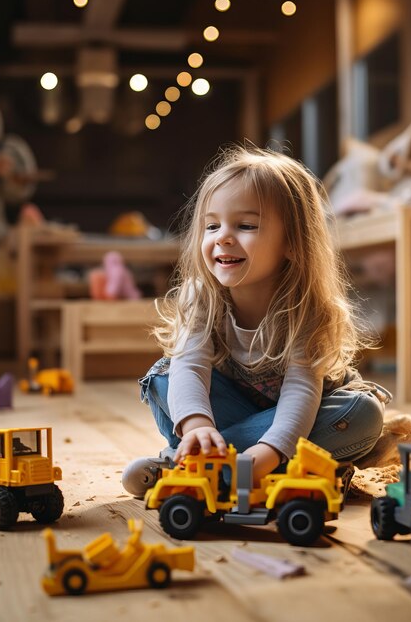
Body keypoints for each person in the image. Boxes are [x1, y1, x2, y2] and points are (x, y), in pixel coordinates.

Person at [122, 145, 391, 496]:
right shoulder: (201, 294)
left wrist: (270, 450)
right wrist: (198, 426)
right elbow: (190, 365)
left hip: (303, 416)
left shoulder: (304, 306)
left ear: (293, 243)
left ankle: (182, 467)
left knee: (363, 413)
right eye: (212, 226)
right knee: (164, 378)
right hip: (232, 408)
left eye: (246, 225)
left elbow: (301, 391)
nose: (223, 237)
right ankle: (221, 460)